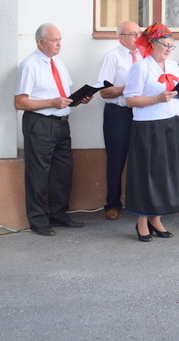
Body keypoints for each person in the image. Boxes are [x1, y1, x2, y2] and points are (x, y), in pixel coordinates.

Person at [15, 23, 92, 236]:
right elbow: (20, 102)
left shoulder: (57, 62)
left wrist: (79, 100)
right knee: (38, 173)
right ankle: (38, 220)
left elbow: (62, 96)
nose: (59, 44)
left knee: (62, 171)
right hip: (40, 124)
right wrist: (52, 103)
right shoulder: (29, 65)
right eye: (54, 40)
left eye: (60, 39)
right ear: (41, 42)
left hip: (61, 124)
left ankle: (58, 214)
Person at [124, 24, 179, 242]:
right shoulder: (141, 67)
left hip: (172, 123)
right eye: (165, 45)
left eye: (172, 46)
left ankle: (157, 218)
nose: (169, 49)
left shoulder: (174, 66)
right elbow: (130, 100)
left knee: (165, 173)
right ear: (152, 44)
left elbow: (176, 95)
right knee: (148, 174)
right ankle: (142, 221)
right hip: (148, 127)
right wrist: (155, 99)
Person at [96, 21, 141, 220]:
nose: (138, 37)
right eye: (133, 34)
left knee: (140, 159)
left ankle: (139, 202)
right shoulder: (112, 57)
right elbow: (104, 92)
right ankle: (112, 204)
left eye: (139, 33)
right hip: (118, 114)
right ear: (121, 37)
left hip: (140, 112)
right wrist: (130, 86)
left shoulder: (144, 56)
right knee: (116, 159)